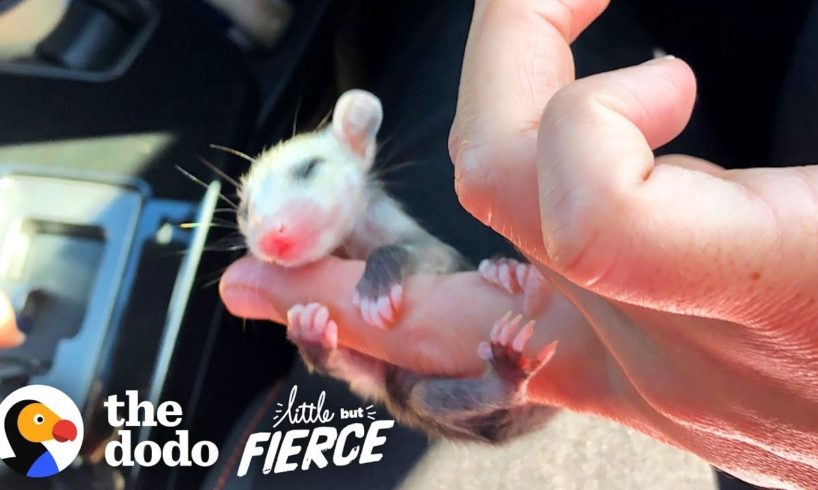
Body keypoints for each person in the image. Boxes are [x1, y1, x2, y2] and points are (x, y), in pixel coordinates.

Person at [219, 0, 818, 488]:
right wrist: (320, 346)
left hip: (523, 359)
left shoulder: (380, 217)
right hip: (470, 388)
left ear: (357, 141)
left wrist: (382, 279)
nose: (268, 221)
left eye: (304, 176)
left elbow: (421, 259)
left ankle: (501, 368)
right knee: (405, 384)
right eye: (246, 209)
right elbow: (363, 371)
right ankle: (499, 377)